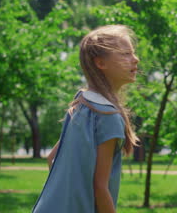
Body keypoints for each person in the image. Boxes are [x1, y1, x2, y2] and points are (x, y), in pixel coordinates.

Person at [32, 24, 141, 213]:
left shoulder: (81, 104)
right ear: (101, 63)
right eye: (125, 54)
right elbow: (100, 187)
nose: (135, 59)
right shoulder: (107, 116)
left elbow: (52, 158)